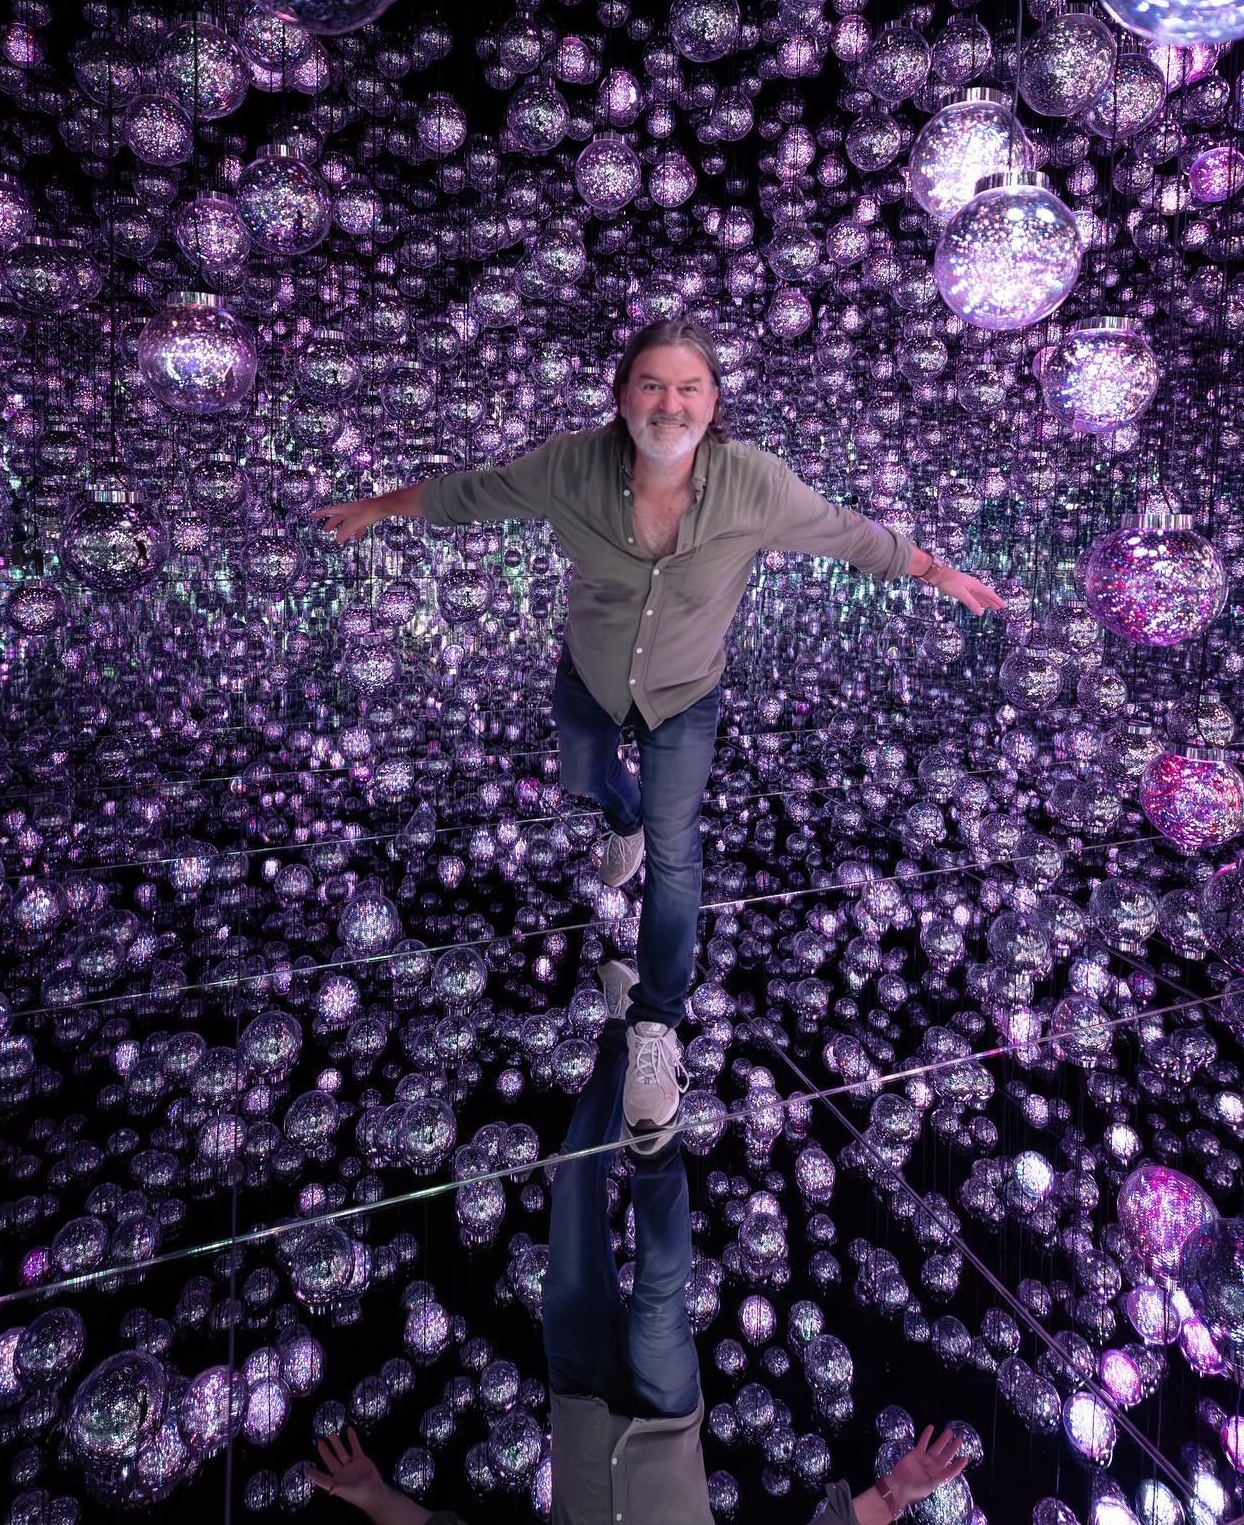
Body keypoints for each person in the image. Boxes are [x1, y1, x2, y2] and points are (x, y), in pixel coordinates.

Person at [313, 318, 1006, 1147]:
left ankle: (655, 1027)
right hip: (590, 679)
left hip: (685, 696)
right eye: (651, 385)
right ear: (621, 397)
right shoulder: (570, 465)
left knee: (678, 852)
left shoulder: (758, 485)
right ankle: (622, 816)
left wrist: (941, 573)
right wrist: (377, 508)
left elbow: (851, 537)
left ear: (714, 405)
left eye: (689, 388)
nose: (669, 404)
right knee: (591, 784)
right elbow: (471, 495)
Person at [305, 962, 973, 1524]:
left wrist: (377, 1500)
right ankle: (654, 1136)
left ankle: (621, 1034)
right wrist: (897, 1491)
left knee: (572, 1182)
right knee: (659, 1298)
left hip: (576, 1390)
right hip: (666, 1418)